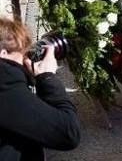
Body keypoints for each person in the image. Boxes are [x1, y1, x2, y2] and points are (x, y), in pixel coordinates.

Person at [0, 15, 81, 159]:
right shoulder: (5, 80)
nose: (25, 58)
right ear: (3, 53)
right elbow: (68, 133)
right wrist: (47, 76)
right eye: (21, 52)